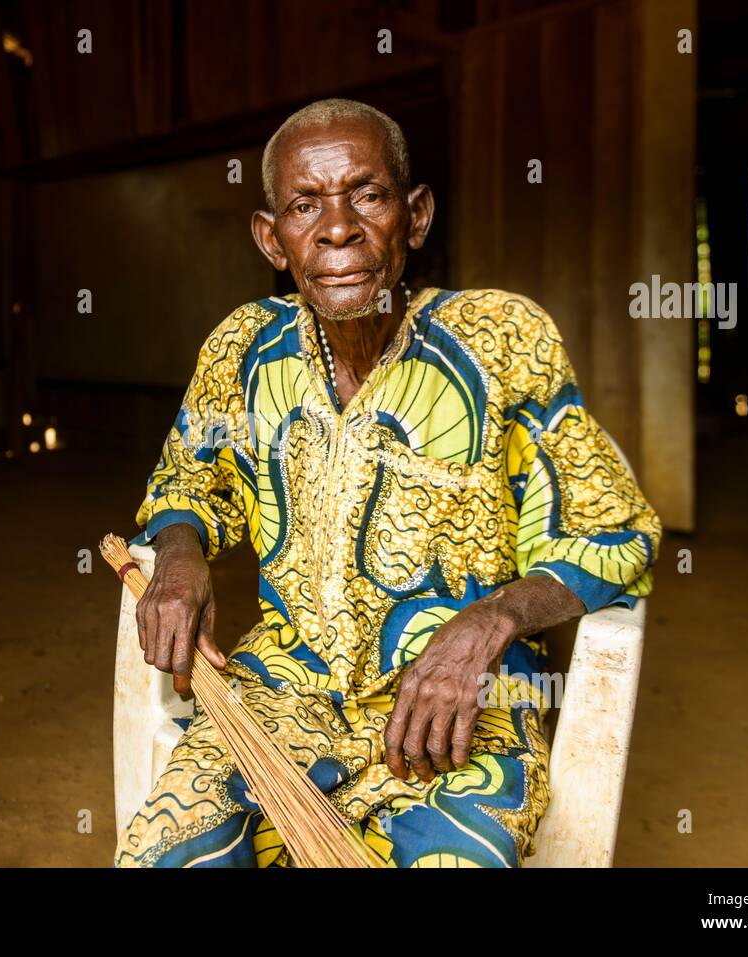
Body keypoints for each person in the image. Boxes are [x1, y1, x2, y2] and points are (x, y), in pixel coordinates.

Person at [115, 98, 661, 867]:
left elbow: (613, 531)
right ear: (272, 238)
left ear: (417, 216)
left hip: (463, 700)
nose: (337, 228)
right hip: (282, 688)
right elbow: (189, 480)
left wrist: (490, 621)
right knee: (167, 853)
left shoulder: (502, 339)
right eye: (305, 205)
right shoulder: (243, 347)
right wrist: (177, 550)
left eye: (367, 195)